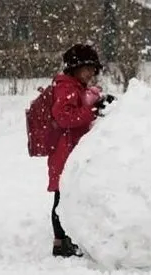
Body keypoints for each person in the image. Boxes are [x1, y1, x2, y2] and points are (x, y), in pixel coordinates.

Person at [48, 44, 114, 257]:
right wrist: (91, 111)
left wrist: (97, 103)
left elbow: (81, 108)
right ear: (73, 68)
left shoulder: (76, 87)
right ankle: (60, 243)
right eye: (86, 69)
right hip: (65, 154)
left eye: (93, 69)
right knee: (62, 198)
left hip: (72, 152)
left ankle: (69, 237)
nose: (90, 73)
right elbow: (64, 117)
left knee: (70, 196)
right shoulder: (66, 88)